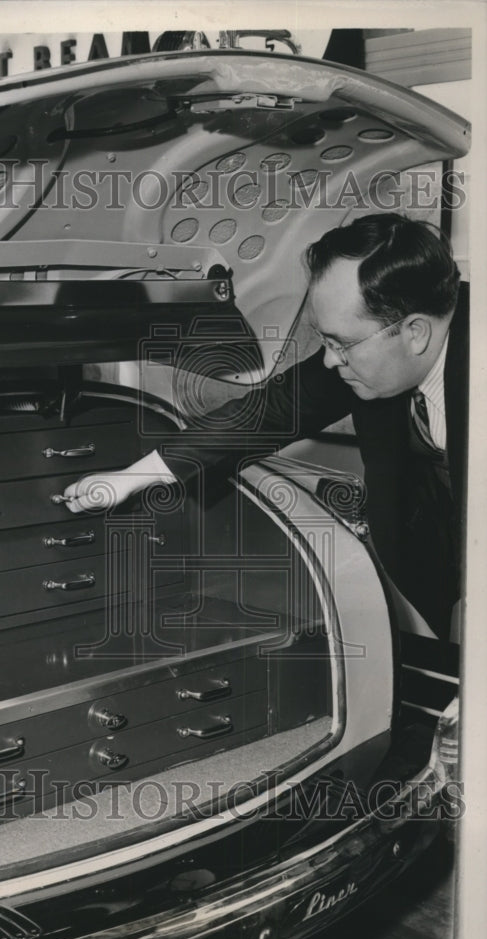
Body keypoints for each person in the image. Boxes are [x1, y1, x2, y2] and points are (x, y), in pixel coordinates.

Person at [64, 213, 467, 639]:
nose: (330, 360)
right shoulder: (372, 349)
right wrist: (132, 478)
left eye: (342, 344)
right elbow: (267, 411)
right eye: (325, 341)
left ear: (415, 332)